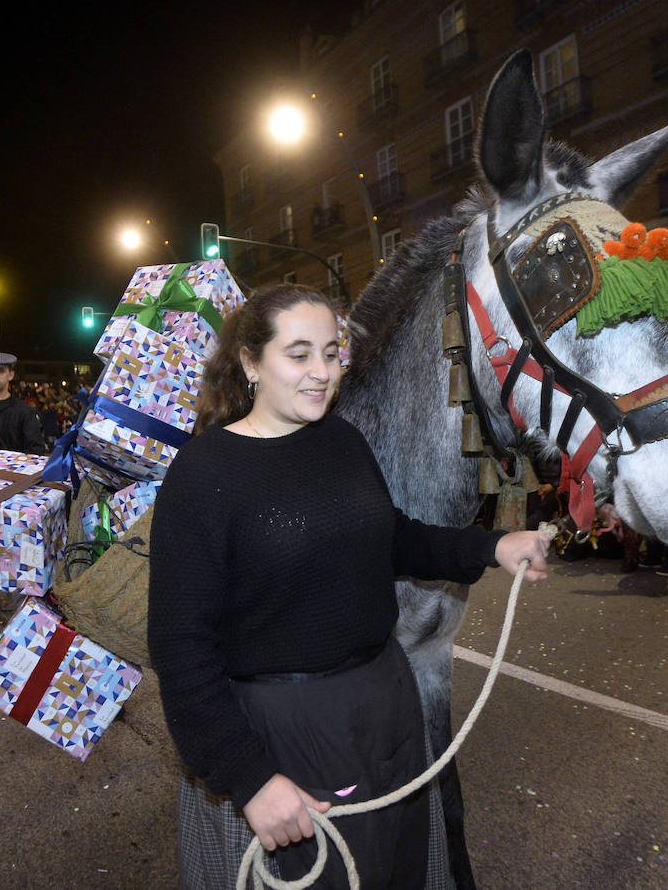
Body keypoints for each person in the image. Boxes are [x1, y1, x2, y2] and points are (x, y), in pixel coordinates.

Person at [147, 284, 549, 889]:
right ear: (252, 363)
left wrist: (491, 546)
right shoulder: (204, 476)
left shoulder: (342, 440)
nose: (321, 373)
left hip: (385, 704)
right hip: (283, 728)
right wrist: (249, 777)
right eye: (299, 353)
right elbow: (180, 648)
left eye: (332, 354)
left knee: (396, 868)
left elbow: (391, 540)